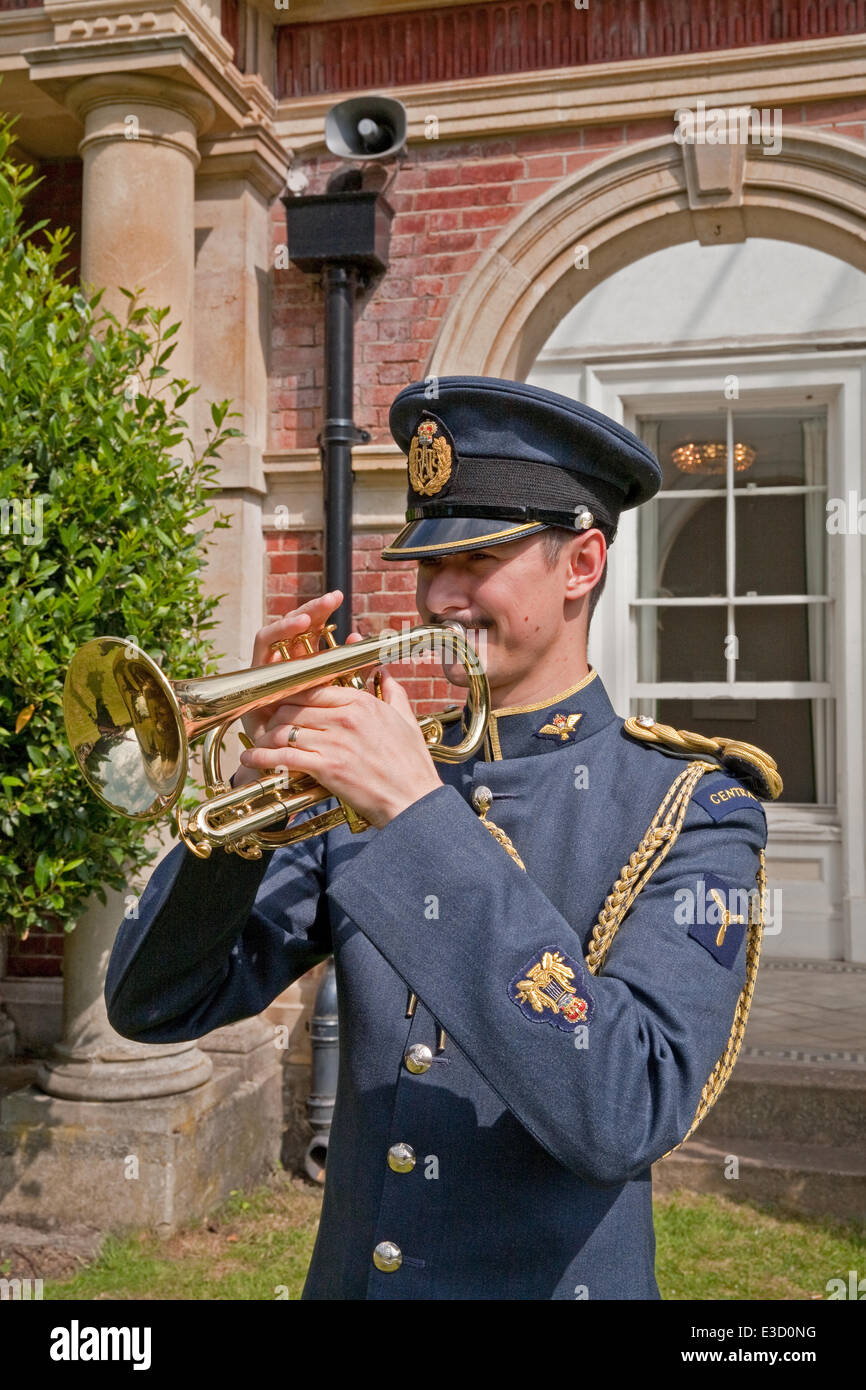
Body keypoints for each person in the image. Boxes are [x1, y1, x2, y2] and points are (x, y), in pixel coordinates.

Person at [105, 376, 782, 1300]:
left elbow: (626, 1110)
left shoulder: (698, 809)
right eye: (429, 565)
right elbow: (155, 1004)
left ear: (582, 564)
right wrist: (246, 807)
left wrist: (423, 821)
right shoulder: (373, 781)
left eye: (478, 561)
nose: (439, 598)